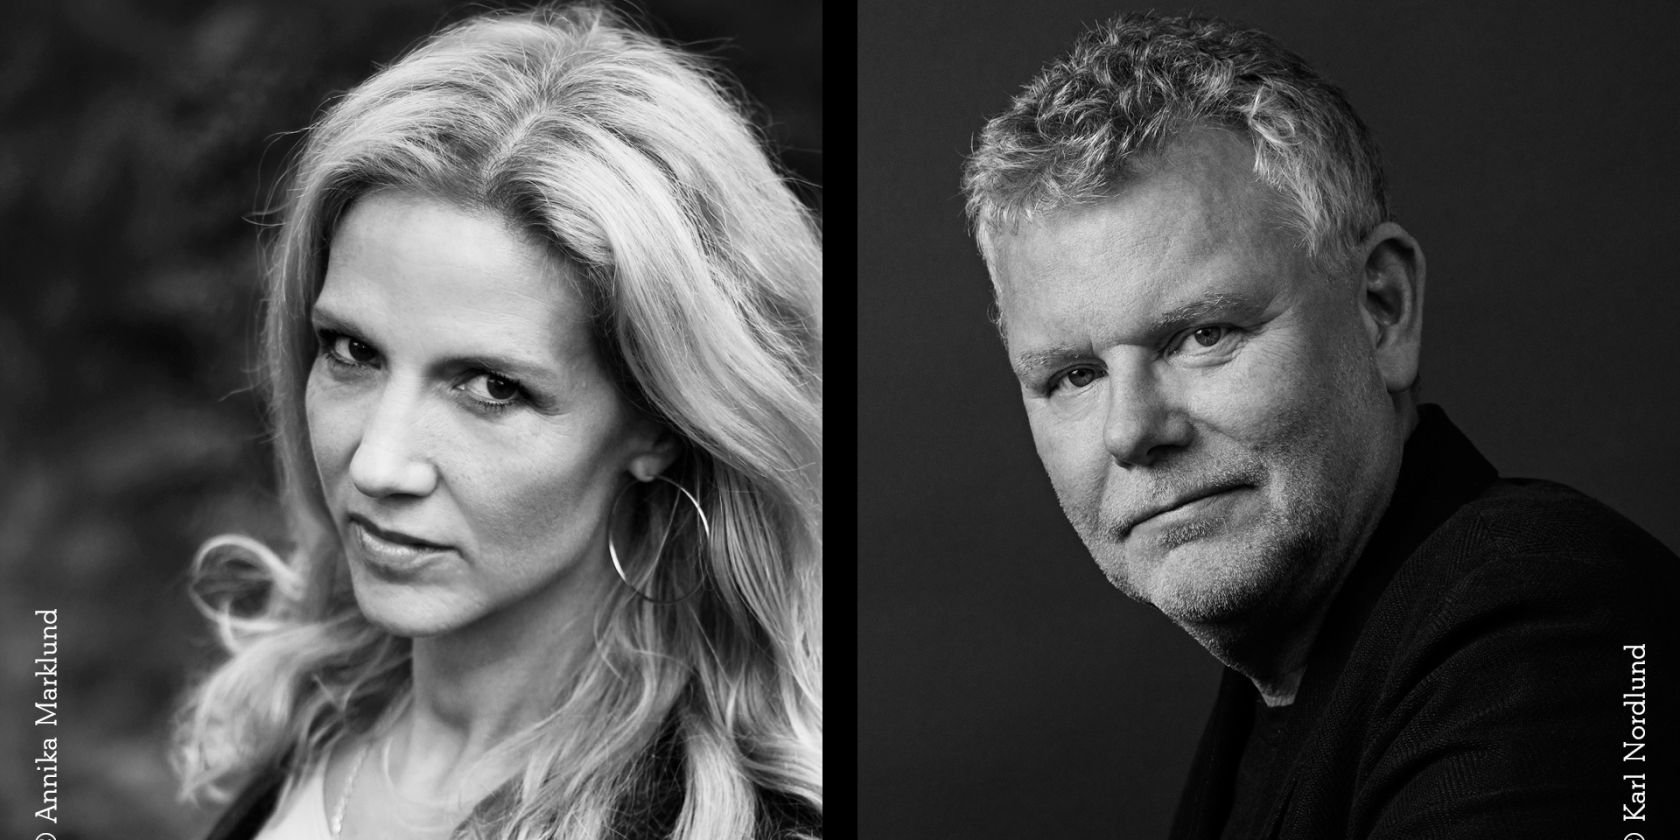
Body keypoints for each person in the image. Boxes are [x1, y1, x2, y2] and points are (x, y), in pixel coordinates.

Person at [962, 11, 1667, 839]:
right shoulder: (1285, 679)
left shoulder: (1547, 630)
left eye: (1203, 334)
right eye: (1074, 375)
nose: (1130, 431)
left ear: (1382, 309)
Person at [170, 5, 822, 839]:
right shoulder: (296, 728)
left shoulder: (730, 821)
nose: (379, 462)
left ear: (660, 423)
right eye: (352, 352)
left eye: (489, 387)